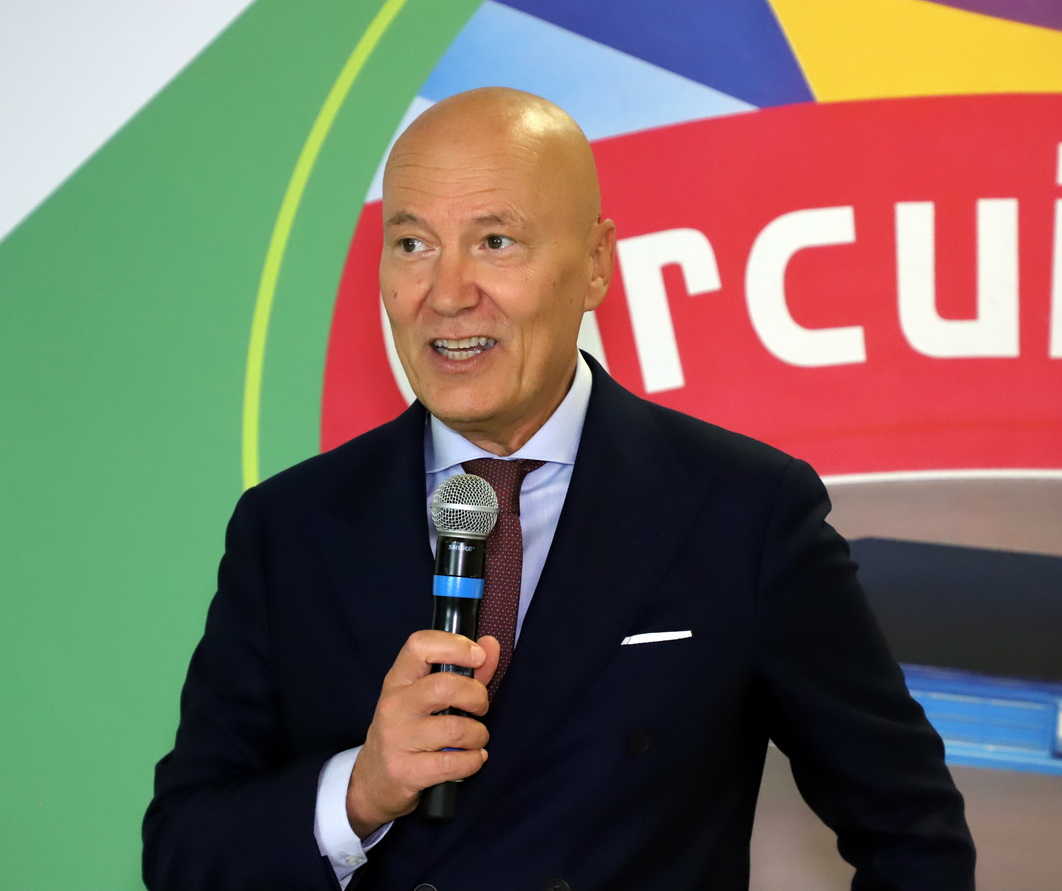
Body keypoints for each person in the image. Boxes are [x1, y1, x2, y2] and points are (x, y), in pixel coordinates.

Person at [143, 87, 975, 890]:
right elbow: (182, 849)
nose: (447, 293)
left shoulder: (745, 512)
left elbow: (914, 835)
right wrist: (359, 792)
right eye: (414, 244)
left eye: (495, 241)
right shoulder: (290, 527)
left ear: (595, 265)